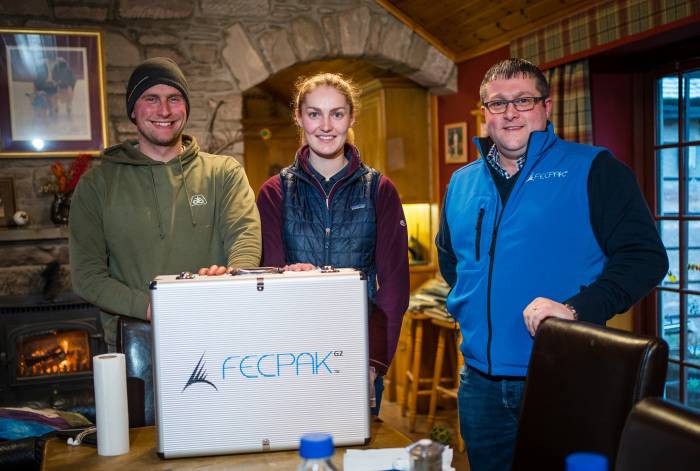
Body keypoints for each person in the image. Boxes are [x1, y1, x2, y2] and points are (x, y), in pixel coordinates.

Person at [435, 58, 668, 471]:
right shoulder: (461, 182)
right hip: (478, 384)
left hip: (564, 378)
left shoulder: (595, 169)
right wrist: (471, 310)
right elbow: (452, 260)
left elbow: (646, 258)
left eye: (523, 100)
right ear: (484, 112)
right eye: (497, 103)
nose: (510, 113)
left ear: (546, 106)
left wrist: (576, 309)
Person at [69, 57, 261, 351]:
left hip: (219, 332)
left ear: (186, 107)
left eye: (174, 98)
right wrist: (153, 307)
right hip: (137, 342)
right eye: (151, 99)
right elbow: (87, 276)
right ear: (133, 109)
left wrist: (232, 280)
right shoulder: (98, 184)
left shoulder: (224, 172)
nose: (165, 110)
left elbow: (245, 238)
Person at [256, 73, 410, 415]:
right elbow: (267, 280)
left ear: (351, 118)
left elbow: (395, 287)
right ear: (299, 117)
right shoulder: (274, 192)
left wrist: (372, 365)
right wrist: (288, 275)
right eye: (314, 114)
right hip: (291, 356)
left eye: (337, 114)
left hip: (358, 355)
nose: (326, 126)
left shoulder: (379, 190)